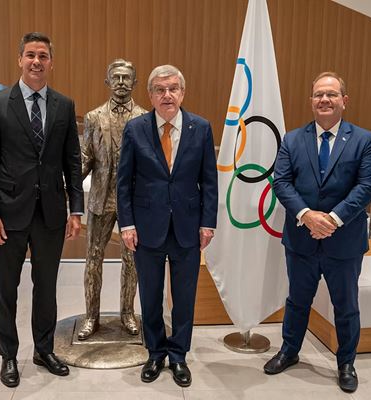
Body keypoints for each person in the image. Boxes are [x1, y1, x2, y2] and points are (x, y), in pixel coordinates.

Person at [0, 32, 84, 387]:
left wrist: (76, 210)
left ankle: (44, 349)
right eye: (30, 55)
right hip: (7, 215)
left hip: (51, 213)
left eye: (43, 56)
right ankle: (8, 355)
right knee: (6, 288)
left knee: (47, 286)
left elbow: (72, 161)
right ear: (19, 59)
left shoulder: (64, 105)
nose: (36, 61)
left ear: (51, 62)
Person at [264, 72, 371, 393]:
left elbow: (367, 185)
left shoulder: (365, 140)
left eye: (331, 94)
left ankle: (346, 363)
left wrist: (333, 219)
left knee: (346, 305)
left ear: (344, 100)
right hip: (301, 239)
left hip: (344, 242)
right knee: (297, 301)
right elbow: (281, 183)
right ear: (311, 101)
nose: (324, 100)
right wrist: (307, 216)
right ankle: (289, 351)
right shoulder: (292, 139)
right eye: (318, 95)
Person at [117, 64, 218, 387]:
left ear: (183, 92)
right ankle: (156, 352)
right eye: (160, 90)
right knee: (149, 294)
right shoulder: (135, 129)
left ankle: (178, 355)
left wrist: (208, 223)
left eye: (173, 88)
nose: (167, 95)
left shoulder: (200, 128)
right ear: (150, 95)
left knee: (185, 296)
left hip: (188, 227)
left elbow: (209, 181)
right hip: (147, 228)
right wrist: (127, 224)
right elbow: (124, 183)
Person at [77, 59, 147, 340]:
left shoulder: (145, 118)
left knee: (131, 261)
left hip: (133, 203)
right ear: (107, 82)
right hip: (100, 199)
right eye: (115, 78)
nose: (120, 83)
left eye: (126, 78)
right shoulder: (94, 118)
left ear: (135, 82)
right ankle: (91, 317)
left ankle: (127, 313)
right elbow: (85, 159)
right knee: (93, 259)